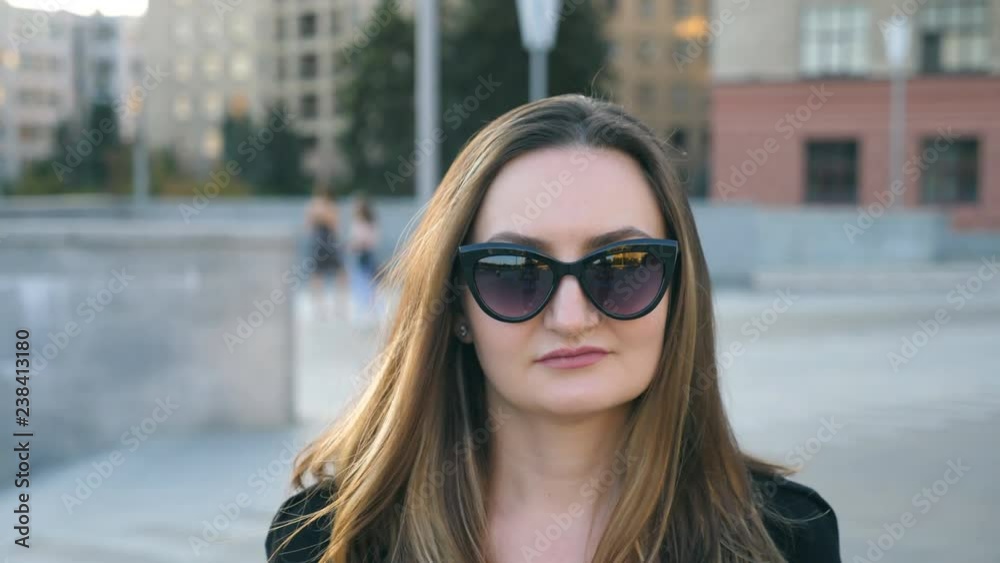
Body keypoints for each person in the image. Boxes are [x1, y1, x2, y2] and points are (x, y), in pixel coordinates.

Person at [266, 95, 840, 563]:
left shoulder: (787, 538)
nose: (570, 318)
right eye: (514, 272)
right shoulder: (326, 542)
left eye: (624, 268)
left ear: (677, 293)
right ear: (458, 306)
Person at [305, 183, 346, 319]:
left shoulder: (327, 206)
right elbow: (310, 224)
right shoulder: (317, 206)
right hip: (322, 240)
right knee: (318, 274)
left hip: (327, 240)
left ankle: (337, 305)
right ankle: (320, 307)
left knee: (338, 273)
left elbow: (334, 223)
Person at [347, 195, 380, 325]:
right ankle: (366, 310)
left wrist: (358, 244)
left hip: (365, 255)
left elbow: (368, 241)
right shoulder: (362, 223)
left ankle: (370, 310)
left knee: (367, 282)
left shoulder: (365, 224)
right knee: (363, 282)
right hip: (361, 256)